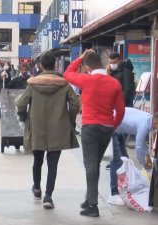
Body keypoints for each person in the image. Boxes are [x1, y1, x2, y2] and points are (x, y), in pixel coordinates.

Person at [30, 50, 125, 216]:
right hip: (107, 127)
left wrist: (80, 57)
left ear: (88, 67)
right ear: (103, 64)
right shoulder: (114, 83)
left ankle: (93, 205)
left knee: (90, 165)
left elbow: (67, 73)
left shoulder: (87, 80)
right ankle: (89, 199)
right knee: (95, 164)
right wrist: (113, 126)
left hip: (90, 127)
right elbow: (121, 110)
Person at [17, 51, 80, 209]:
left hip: (37, 128)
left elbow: (21, 104)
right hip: (58, 129)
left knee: (37, 160)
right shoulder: (64, 84)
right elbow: (75, 105)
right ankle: (48, 196)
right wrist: (70, 120)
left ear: (41, 65)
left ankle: (37, 188)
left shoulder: (32, 83)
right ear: (55, 65)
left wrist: (25, 117)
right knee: (53, 164)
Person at [107, 108, 158, 205]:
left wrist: (147, 160)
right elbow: (139, 147)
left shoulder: (147, 118)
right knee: (117, 161)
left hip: (118, 126)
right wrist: (145, 164)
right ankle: (114, 194)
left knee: (125, 160)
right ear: (155, 123)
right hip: (111, 125)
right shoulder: (144, 125)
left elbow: (143, 145)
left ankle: (123, 188)